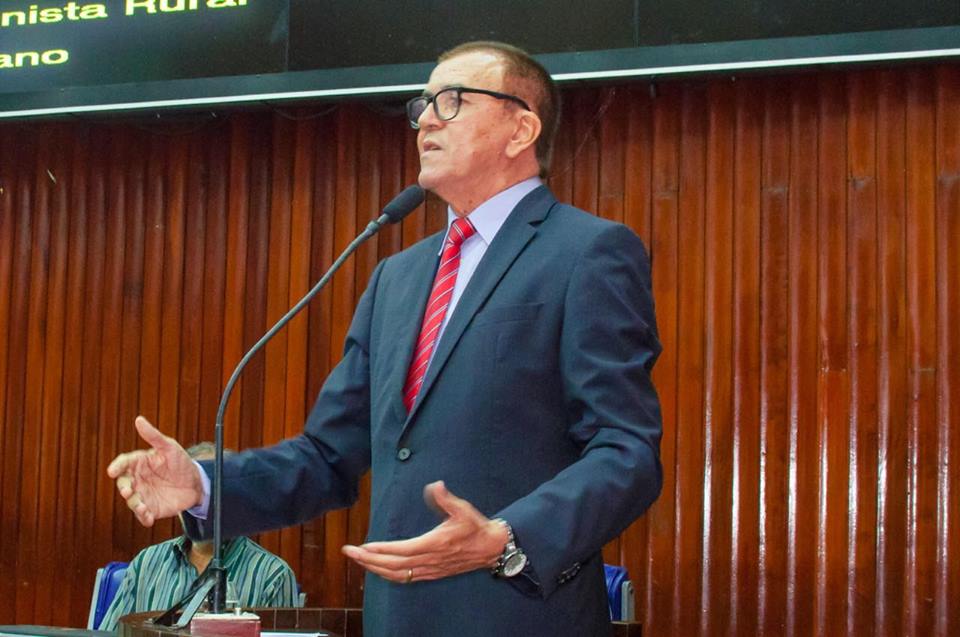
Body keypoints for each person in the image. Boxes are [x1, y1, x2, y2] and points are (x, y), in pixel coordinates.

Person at [108, 40, 662, 637]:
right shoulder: (397, 277)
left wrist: (507, 537)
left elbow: (625, 451)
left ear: (521, 129)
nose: (426, 120)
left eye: (452, 101)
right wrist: (204, 486)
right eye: (423, 105)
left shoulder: (587, 252)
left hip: (520, 616)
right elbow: (327, 457)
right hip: (395, 618)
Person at [99, 442, 298, 632]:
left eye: (211, 492)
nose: (202, 506)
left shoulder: (273, 576)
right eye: (193, 494)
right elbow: (109, 634)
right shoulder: (146, 563)